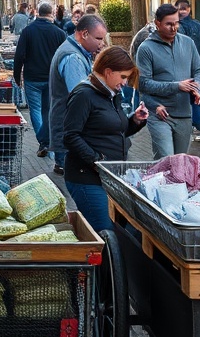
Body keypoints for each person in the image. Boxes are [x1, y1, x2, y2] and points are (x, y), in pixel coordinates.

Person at [63, 46, 149, 232]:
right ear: (108, 72)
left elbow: (115, 131)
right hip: (86, 177)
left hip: (110, 176)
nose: (125, 82)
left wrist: (135, 120)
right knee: (105, 232)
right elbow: (70, 136)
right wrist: (97, 160)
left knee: (125, 228)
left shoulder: (111, 94)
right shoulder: (84, 94)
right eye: (123, 77)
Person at [135, 4, 200, 159]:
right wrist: (177, 86)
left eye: (176, 23)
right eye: (169, 24)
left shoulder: (188, 43)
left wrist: (197, 86)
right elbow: (143, 83)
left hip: (184, 114)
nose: (174, 28)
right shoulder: (146, 48)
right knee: (166, 159)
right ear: (157, 23)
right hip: (160, 113)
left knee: (180, 162)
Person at [48, 14, 108, 176]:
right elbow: (81, 96)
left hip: (67, 129)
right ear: (84, 34)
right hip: (69, 130)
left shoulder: (75, 51)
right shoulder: (73, 57)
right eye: (99, 38)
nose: (101, 44)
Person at [13, 2, 66, 157]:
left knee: (35, 110)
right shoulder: (59, 33)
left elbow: (19, 55)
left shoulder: (28, 31)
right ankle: (46, 141)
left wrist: (17, 76)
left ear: (37, 13)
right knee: (48, 110)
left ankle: (43, 142)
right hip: (52, 79)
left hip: (32, 78)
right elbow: (64, 57)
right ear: (51, 13)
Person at [174, 0, 200, 137]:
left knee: (185, 98)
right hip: (198, 68)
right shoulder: (199, 25)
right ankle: (199, 125)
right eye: (181, 9)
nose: (182, 11)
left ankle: (191, 125)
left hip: (184, 69)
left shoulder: (177, 27)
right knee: (196, 97)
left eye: (183, 9)